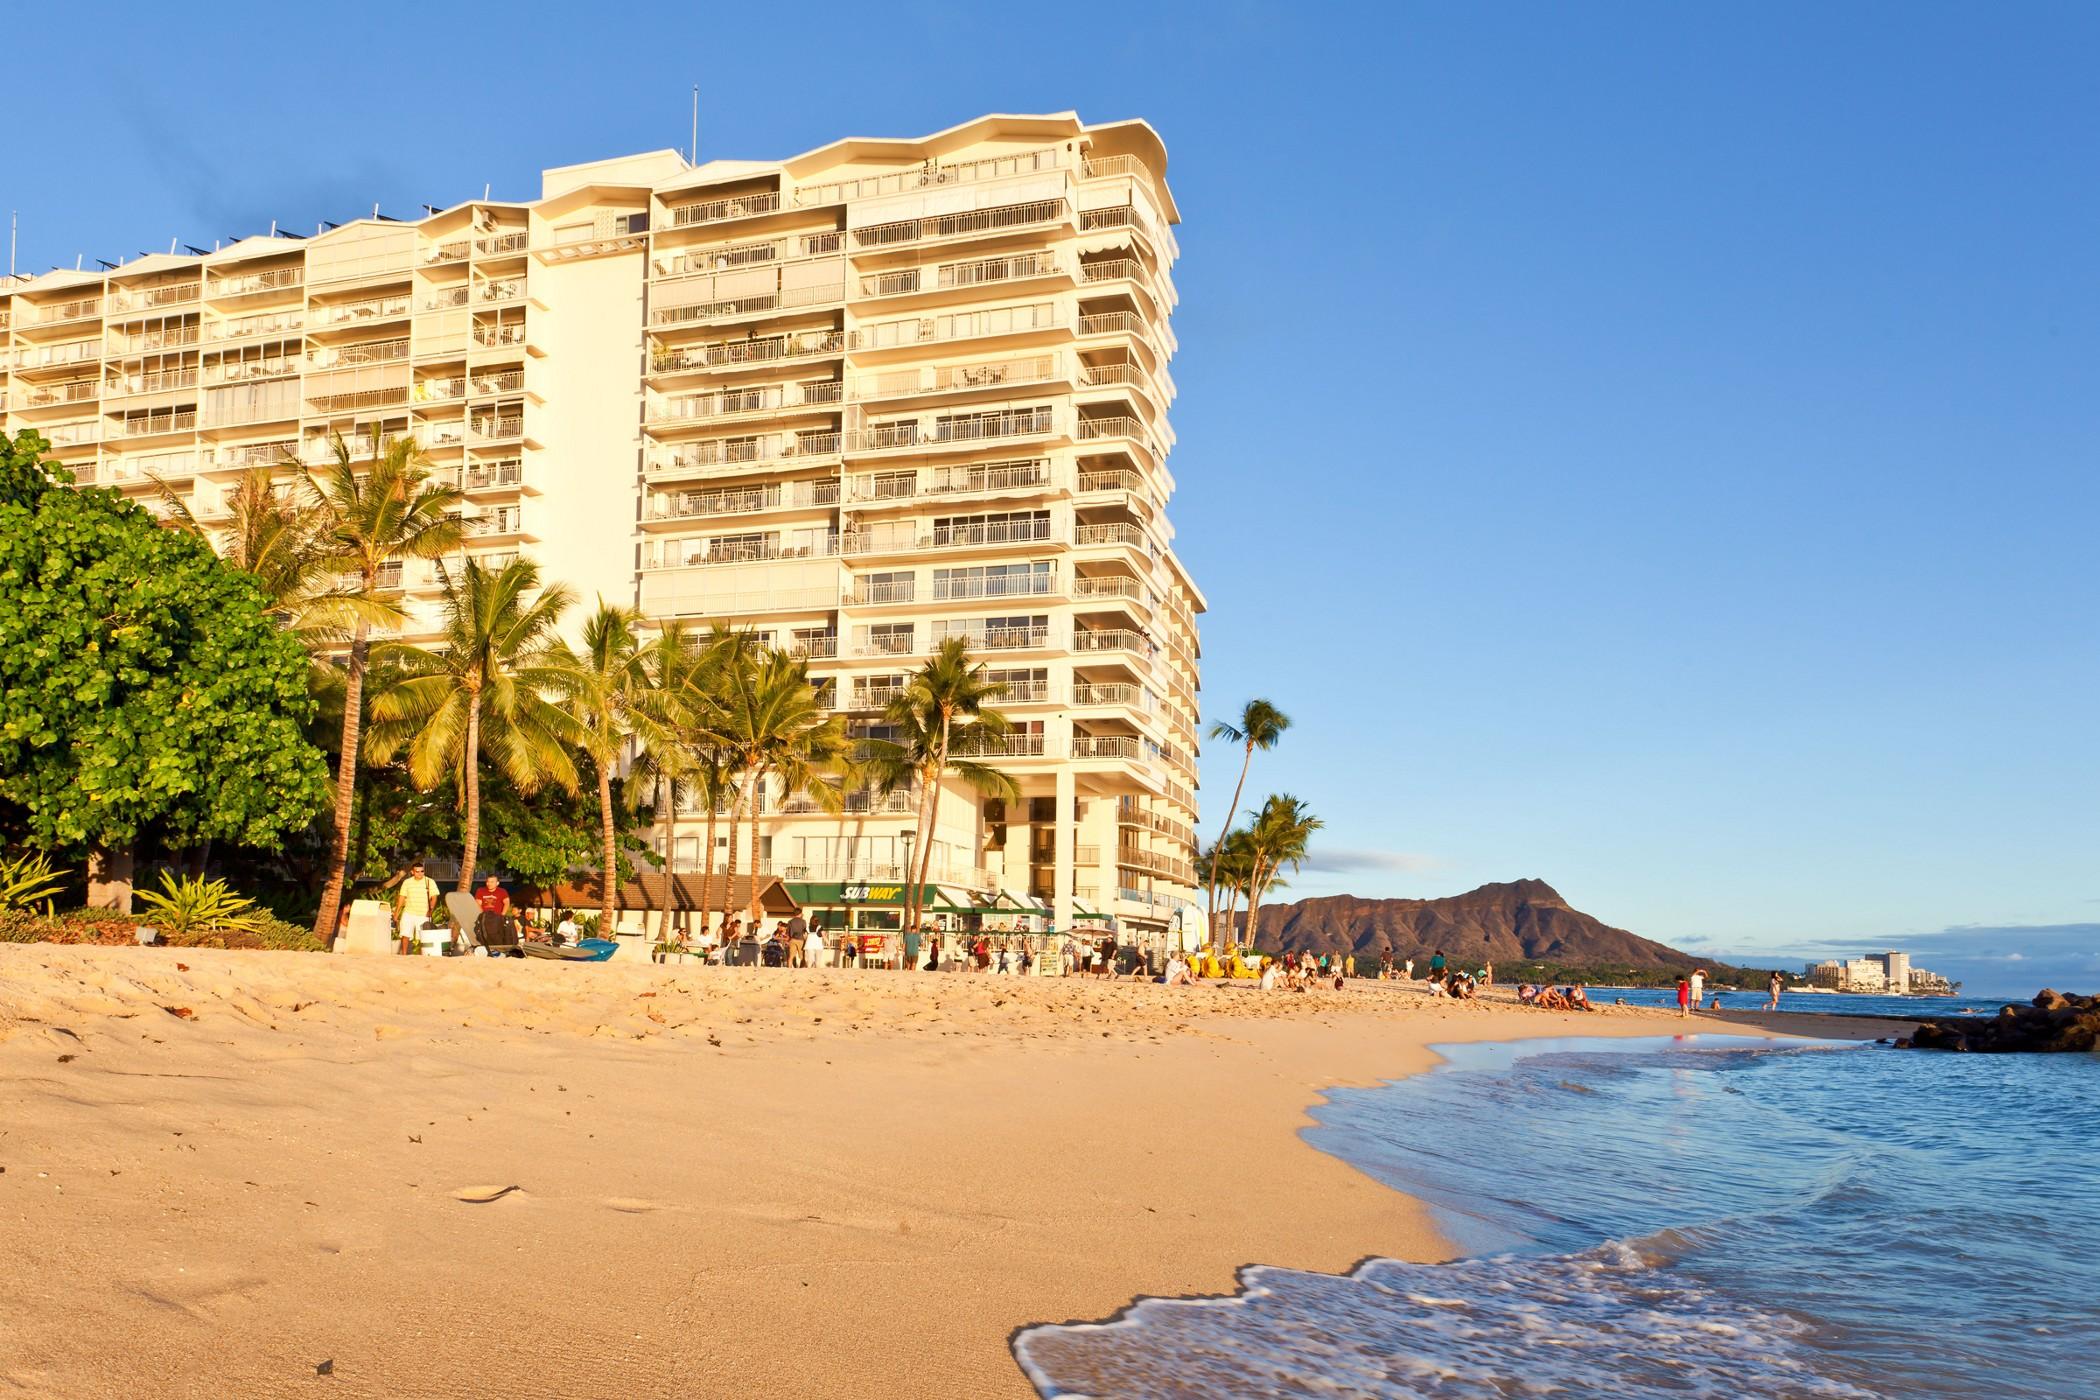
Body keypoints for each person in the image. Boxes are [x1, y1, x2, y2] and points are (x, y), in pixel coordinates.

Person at [393, 860, 441, 951]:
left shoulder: (429, 881)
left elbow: (434, 897)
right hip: (408, 912)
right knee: (405, 934)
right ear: (412, 872)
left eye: (422, 871)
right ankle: (404, 955)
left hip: (423, 914)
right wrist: (396, 913)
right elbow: (401, 898)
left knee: (422, 937)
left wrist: (430, 910)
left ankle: (422, 955)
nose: (420, 873)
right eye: (417, 871)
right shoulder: (407, 882)